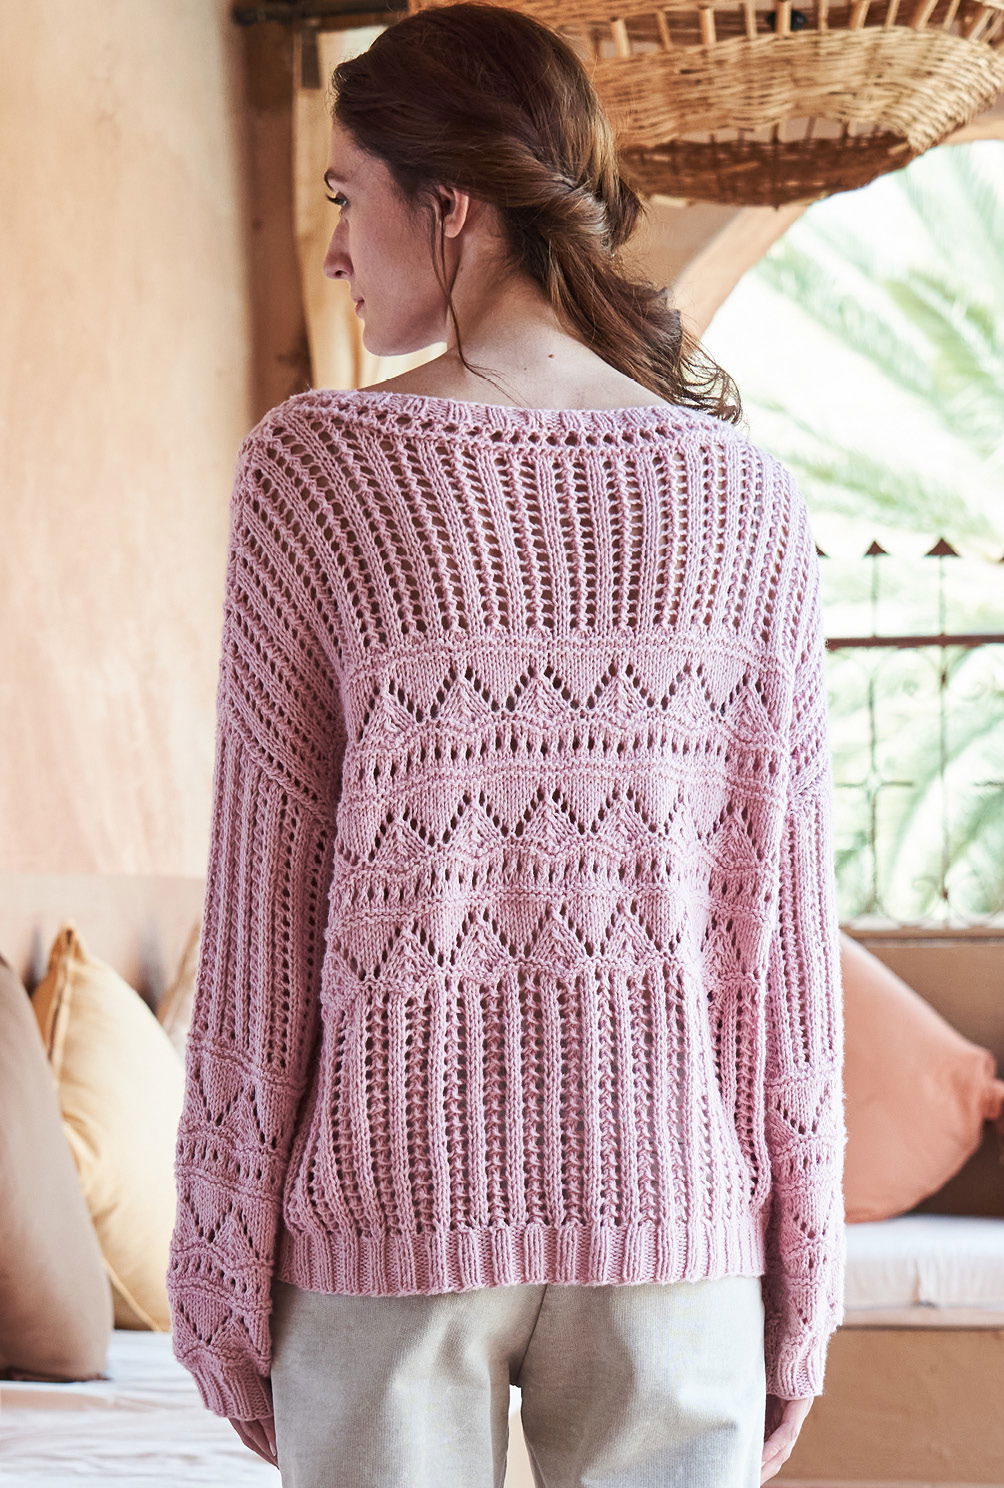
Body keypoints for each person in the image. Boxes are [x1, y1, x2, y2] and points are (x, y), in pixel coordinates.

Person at [166, 4, 847, 1485]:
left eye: (347, 195)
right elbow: (781, 932)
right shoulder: (747, 498)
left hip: (388, 1213)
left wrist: (221, 1248)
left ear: (452, 204)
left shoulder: (317, 471)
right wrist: (803, 1266)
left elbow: (265, 903)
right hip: (675, 1221)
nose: (335, 249)